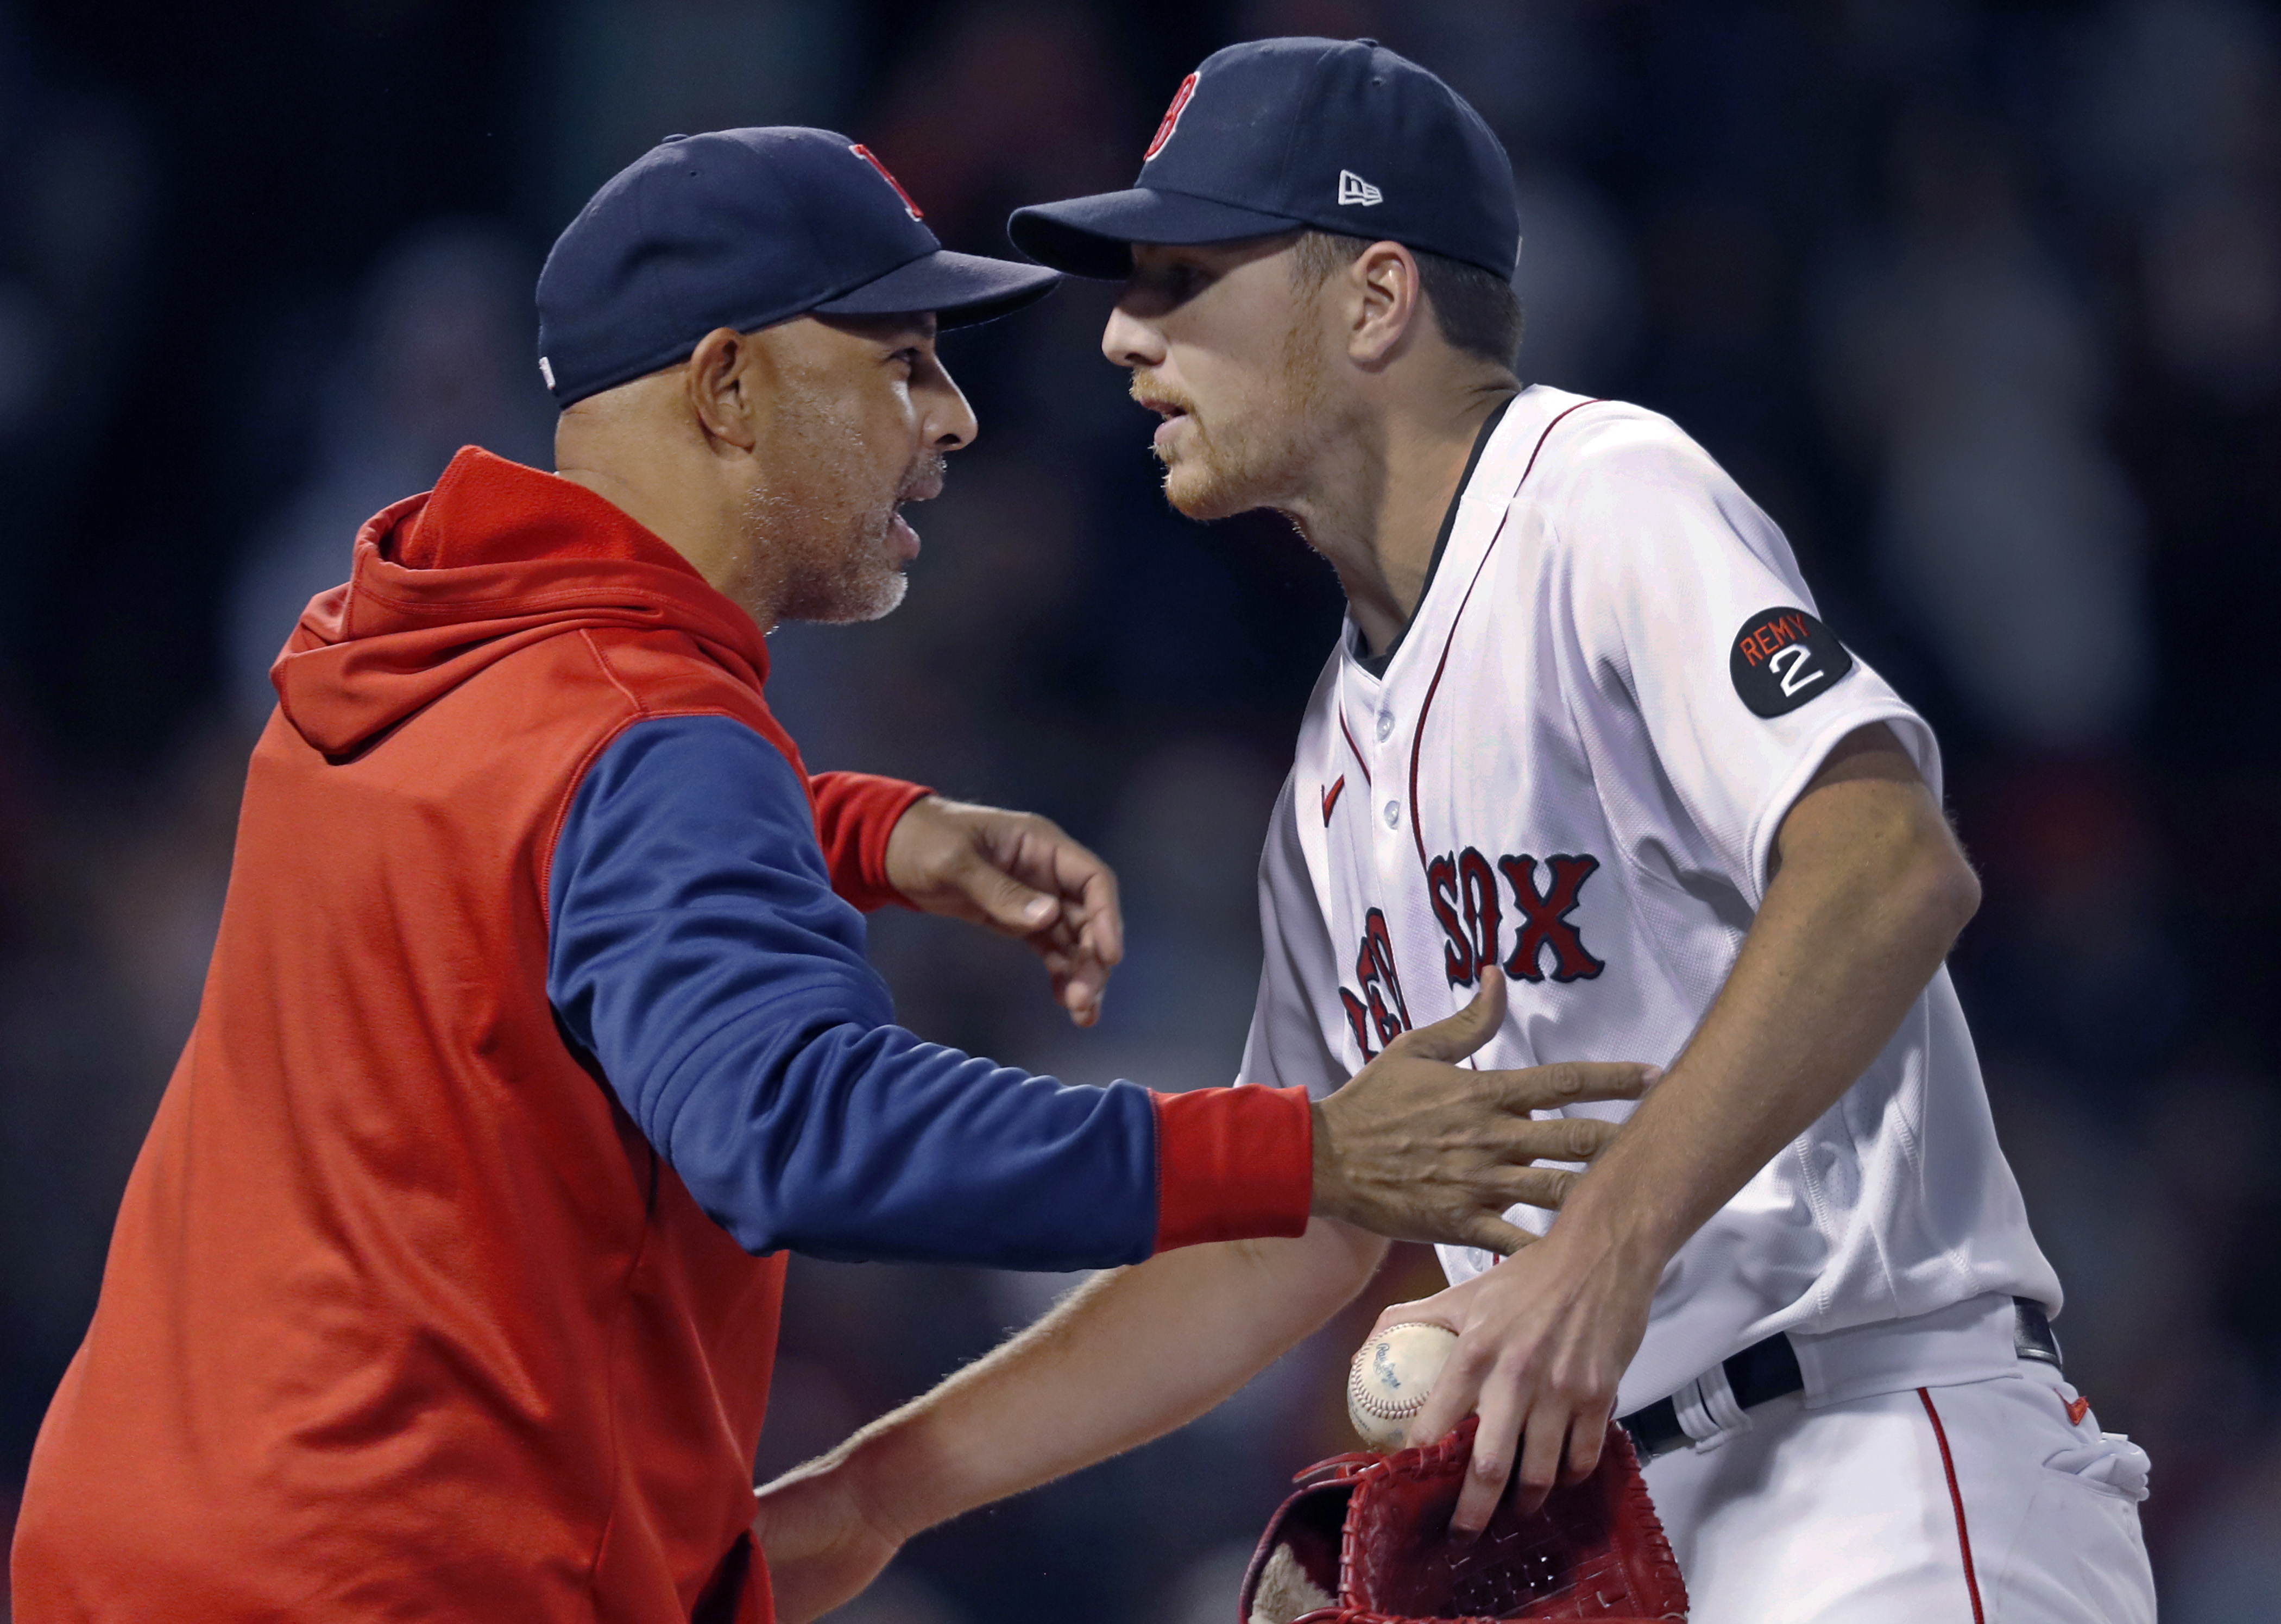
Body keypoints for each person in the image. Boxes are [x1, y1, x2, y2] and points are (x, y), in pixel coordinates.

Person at [7, 127, 1658, 1623]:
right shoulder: (655, 745)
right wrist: (1307, 1151)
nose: (950, 419)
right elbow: (797, 1129)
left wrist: (860, 829)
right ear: (725, 390)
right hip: (405, 1581)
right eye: (902, 360)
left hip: (122, 1548)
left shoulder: (392, 647)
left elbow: (521, 833)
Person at [748, 42, 2157, 1624]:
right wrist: (882, 1493)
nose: (1127, 337)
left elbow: (1893, 863)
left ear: (1375, 299)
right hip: (1626, 1514)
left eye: (1184, 276)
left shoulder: (1600, 499)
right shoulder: (1332, 769)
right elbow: (1293, 1224)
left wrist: (1602, 1247)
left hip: (1869, 1459)